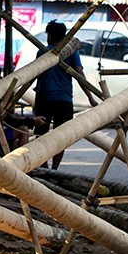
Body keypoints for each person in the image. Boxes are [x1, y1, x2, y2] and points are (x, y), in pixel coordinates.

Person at [34, 20, 97, 169]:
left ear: (50, 36)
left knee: (41, 136)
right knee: (61, 137)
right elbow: (79, 74)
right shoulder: (71, 52)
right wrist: (90, 97)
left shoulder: (43, 52)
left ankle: (44, 167)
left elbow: (37, 76)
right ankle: (54, 169)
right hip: (64, 99)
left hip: (44, 98)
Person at [0, 63, 46, 155]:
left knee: (15, 141)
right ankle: (21, 159)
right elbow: (8, 120)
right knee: (23, 130)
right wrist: (32, 121)